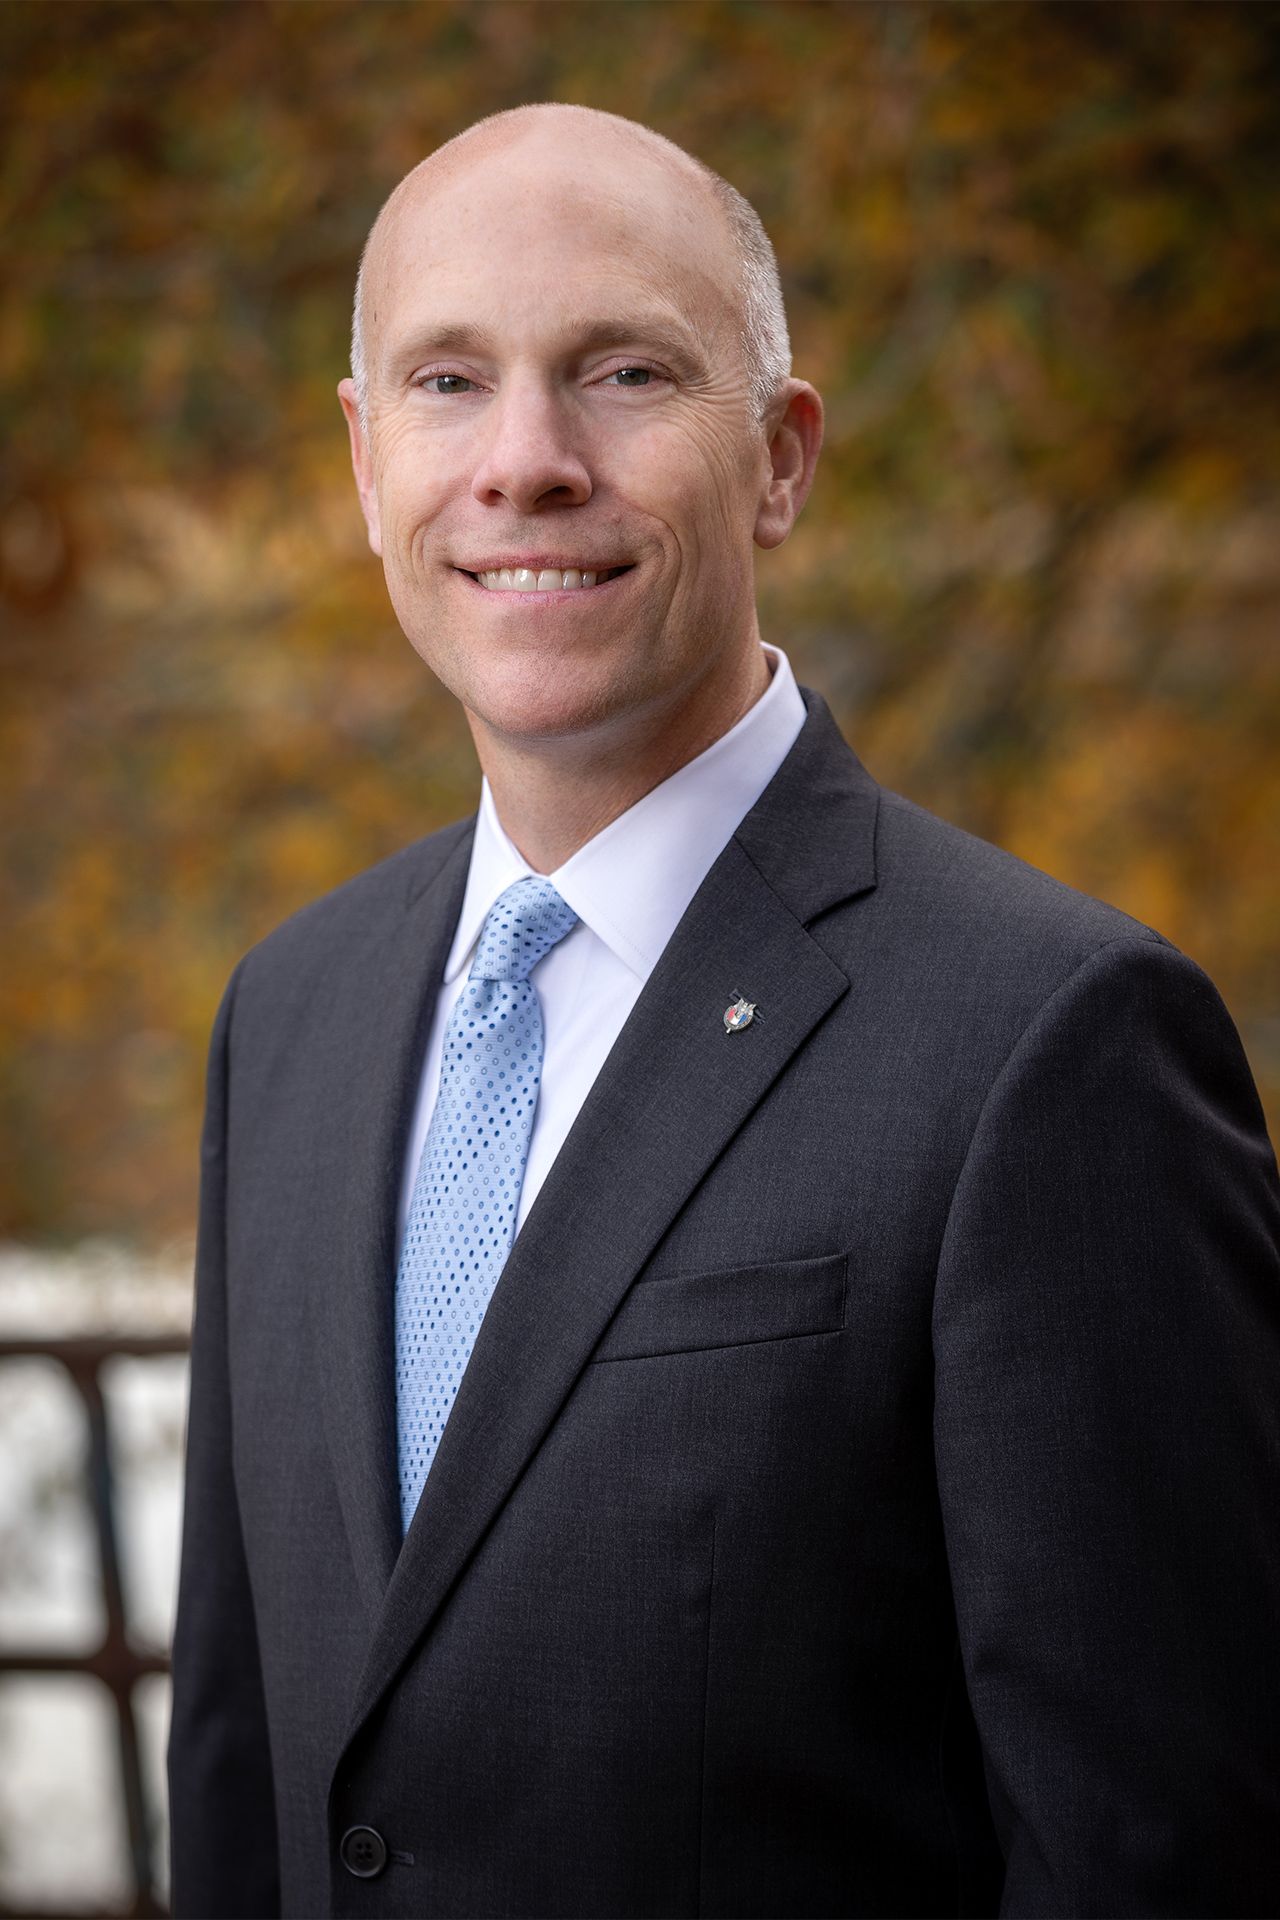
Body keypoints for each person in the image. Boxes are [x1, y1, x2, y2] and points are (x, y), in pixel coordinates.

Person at [167, 104, 1280, 1920]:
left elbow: (1161, 1857)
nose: (525, 462)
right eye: (449, 381)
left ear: (778, 460)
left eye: (622, 371)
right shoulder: (287, 1012)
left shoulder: (1055, 1044)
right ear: (363, 462)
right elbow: (243, 1771)